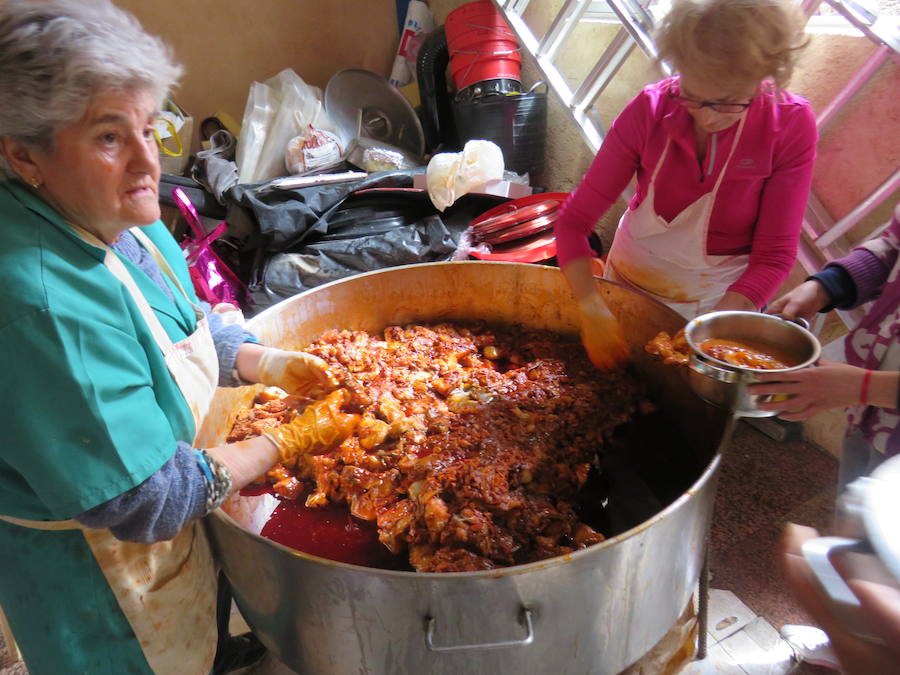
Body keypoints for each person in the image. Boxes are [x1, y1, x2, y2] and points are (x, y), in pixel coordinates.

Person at [0, 2, 339, 673]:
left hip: (168, 528)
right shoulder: (39, 301)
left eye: (150, 129)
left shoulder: (120, 215)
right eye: (108, 138)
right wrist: (287, 440)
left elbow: (176, 326)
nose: (145, 162)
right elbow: (145, 498)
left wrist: (262, 360)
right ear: (23, 155)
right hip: (102, 586)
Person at [554, 0, 817, 328]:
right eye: (692, 95)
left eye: (726, 102)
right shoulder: (650, 110)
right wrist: (590, 306)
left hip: (718, 301)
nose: (707, 117)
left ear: (766, 77)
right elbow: (574, 222)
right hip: (628, 276)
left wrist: (710, 332)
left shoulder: (789, 125)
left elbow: (773, 257)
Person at [748, 203, 900, 671]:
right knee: (858, 513)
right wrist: (824, 286)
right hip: (874, 413)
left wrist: (860, 385)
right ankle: (845, 636)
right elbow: (890, 247)